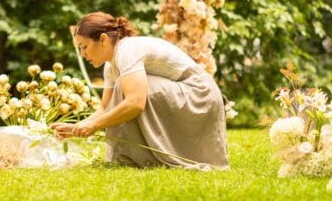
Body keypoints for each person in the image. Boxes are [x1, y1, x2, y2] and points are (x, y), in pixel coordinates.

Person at [51, 12, 229, 171]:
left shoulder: (126, 51)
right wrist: (77, 127)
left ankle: (149, 156)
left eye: (84, 47)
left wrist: (94, 126)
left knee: (126, 88)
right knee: (123, 88)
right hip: (183, 93)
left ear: (103, 39)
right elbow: (105, 107)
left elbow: (135, 103)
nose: (82, 54)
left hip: (199, 94)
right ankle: (138, 157)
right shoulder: (110, 65)